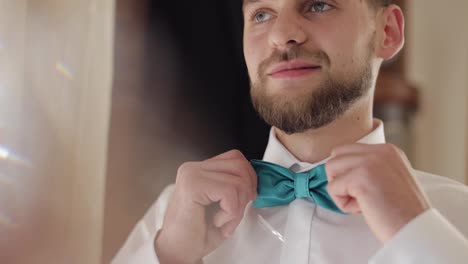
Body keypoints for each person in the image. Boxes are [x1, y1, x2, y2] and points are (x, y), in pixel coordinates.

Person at [112, 0, 468, 263]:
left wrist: (418, 233)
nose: (281, 36)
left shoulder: (458, 215)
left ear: (387, 32)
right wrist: (170, 254)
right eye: (261, 15)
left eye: (318, 5)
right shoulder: (172, 217)